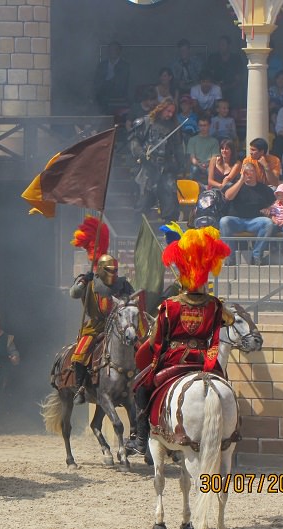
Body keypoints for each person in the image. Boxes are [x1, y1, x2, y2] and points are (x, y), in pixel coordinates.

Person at [124, 226, 234, 456]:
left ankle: (141, 439)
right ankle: (235, 429)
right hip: (206, 360)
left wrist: (150, 353)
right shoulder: (215, 304)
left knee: (140, 388)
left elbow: (156, 340)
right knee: (225, 389)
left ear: (183, 276)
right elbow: (228, 321)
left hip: (175, 359)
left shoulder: (170, 305)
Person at [69, 218, 134, 405]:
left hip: (119, 324)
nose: (113, 273)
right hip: (97, 326)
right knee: (80, 353)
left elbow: (133, 298)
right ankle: (80, 387)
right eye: (110, 270)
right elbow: (74, 294)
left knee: (138, 349)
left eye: (115, 270)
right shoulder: (89, 280)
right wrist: (83, 281)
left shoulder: (122, 283)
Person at [129, 98, 184, 223]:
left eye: (172, 112)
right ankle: (136, 233)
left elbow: (178, 147)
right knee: (142, 204)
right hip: (148, 168)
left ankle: (169, 237)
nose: (170, 114)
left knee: (170, 204)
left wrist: (181, 164)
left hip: (166, 168)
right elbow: (134, 141)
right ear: (161, 108)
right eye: (168, 111)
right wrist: (142, 154)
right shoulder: (147, 122)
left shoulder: (174, 126)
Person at [219, 163, 276, 266]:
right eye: (246, 171)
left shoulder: (263, 188)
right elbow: (228, 196)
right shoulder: (236, 185)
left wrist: (269, 208)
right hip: (237, 220)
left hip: (255, 220)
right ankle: (230, 257)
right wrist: (241, 181)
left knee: (268, 223)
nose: (249, 174)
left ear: (256, 173)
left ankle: (257, 255)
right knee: (224, 221)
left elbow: (276, 202)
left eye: (251, 171)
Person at [93, 41, 130, 117]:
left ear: (119, 51)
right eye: (110, 50)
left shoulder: (125, 66)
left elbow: (123, 83)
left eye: (115, 49)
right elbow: (97, 81)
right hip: (102, 94)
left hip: (119, 94)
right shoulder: (102, 65)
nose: (112, 52)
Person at [186, 116, 219, 186]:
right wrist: (199, 164)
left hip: (209, 165)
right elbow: (192, 157)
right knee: (194, 170)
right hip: (197, 165)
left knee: (211, 170)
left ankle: (212, 191)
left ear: (209, 126)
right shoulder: (192, 140)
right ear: (198, 126)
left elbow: (215, 157)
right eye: (200, 125)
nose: (203, 128)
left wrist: (207, 164)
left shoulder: (214, 141)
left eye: (205, 125)